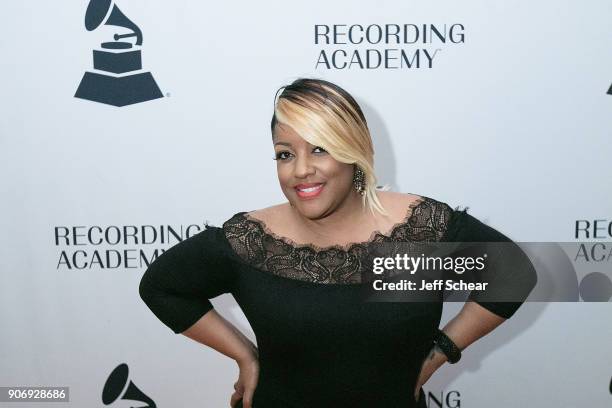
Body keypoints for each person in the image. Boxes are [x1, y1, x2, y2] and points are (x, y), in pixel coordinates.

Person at [138, 78, 537, 408]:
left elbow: (513, 277)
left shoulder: (420, 232)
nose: (301, 170)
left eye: (319, 148)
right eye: (284, 154)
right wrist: (244, 354)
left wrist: (440, 353)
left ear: (354, 152)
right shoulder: (251, 240)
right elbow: (161, 287)